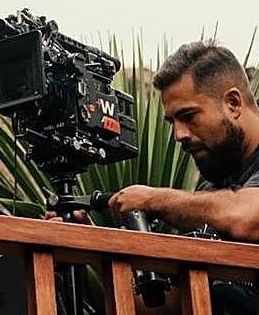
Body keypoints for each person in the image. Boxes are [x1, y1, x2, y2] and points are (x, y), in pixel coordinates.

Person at [109, 42, 259, 314]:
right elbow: (169, 304)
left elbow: (246, 219)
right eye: (173, 122)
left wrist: (155, 200)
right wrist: (85, 244)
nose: (179, 134)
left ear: (233, 103)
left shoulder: (228, 207)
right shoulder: (212, 185)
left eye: (188, 116)